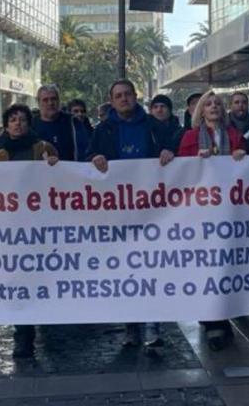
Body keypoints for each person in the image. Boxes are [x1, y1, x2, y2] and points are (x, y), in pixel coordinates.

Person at [88, 79, 176, 348]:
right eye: (118, 96)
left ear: (136, 96)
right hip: (119, 212)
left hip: (152, 209)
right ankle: (131, 326)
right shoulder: (102, 130)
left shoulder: (155, 126)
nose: (124, 99)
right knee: (125, 269)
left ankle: (153, 324)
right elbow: (89, 157)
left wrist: (169, 153)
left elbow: (173, 150)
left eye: (127, 94)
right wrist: (95, 159)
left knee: (152, 266)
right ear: (112, 100)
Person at [0, 103, 60, 358]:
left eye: (23, 120)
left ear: (30, 124)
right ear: (6, 125)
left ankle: (43, 322)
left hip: (40, 225)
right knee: (18, 279)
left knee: (39, 277)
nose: (18, 124)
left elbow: (60, 177)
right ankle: (23, 333)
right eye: (13, 120)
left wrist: (54, 163)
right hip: (11, 228)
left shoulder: (41, 148)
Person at [177, 90, 248, 350]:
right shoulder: (190, 137)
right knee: (206, 264)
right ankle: (211, 320)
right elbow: (181, 171)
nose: (214, 107)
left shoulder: (234, 136)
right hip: (200, 212)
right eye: (208, 104)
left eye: (218, 103)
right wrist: (197, 161)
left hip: (228, 210)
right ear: (200, 111)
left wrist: (241, 156)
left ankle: (222, 316)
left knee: (225, 263)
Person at [33, 85, 88, 161]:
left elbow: (85, 150)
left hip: (69, 171)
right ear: (38, 102)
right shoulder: (31, 125)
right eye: (45, 100)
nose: (50, 103)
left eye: (53, 99)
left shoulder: (73, 123)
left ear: (59, 101)